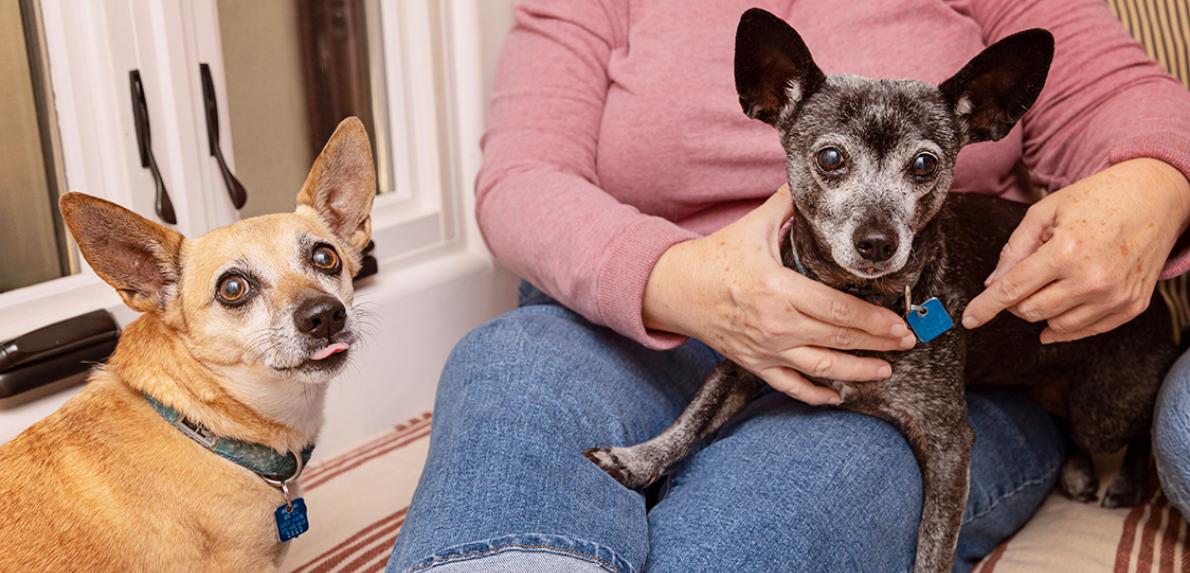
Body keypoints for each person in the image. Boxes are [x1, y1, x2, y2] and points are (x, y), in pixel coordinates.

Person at [387, 0, 1190, 571]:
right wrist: (687, 281)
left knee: (770, 512)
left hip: (921, 351)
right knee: (509, 362)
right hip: (650, 317)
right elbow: (522, 177)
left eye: (917, 168)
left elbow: (1130, 103)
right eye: (836, 161)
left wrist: (1154, 183)